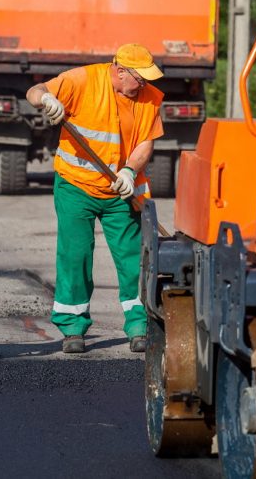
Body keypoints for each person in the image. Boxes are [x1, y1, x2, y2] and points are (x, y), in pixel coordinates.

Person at [25, 43, 164, 354]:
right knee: (75, 255)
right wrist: (47, 99)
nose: (143, 85)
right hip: (77, 187)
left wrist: (129, 171)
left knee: (132, 259)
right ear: (120, 71)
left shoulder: (149, 97)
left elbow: (146, 143)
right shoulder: (83, 80)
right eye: (139, 79)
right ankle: (73, 326)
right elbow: (34, 91)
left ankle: (139, 324)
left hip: (121, 192)